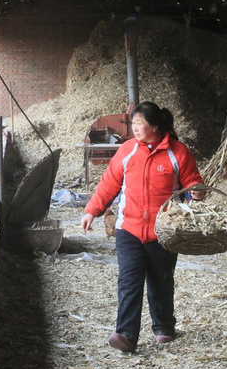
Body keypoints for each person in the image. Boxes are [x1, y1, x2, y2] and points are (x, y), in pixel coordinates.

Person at [81, 101, 206, 352]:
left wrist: (196, 195)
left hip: (163, 231)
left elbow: (192, 184)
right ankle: (126, 334)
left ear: (155, 126)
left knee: (161, 281)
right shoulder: (127, 150)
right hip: (128, 228)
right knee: (129, 281)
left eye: (140, 123)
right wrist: (91, 211)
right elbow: (109, 183)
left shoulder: (177, 152)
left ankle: (163, 327)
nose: (135, 128)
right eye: (133, 123)